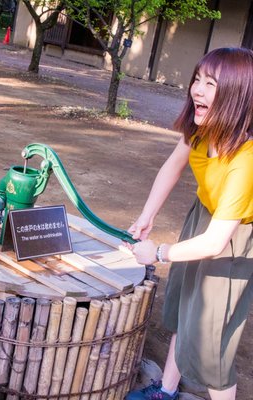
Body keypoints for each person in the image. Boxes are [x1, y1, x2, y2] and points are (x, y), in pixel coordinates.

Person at [125, 47, 253, 400]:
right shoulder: (201, 129)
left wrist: (160, 252)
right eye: (197, 79)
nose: (197, 89)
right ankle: (166, 391)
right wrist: (147, 216)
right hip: (203, 216)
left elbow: (215, 243)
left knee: (212, 343)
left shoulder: (246, 160)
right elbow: (172, 166)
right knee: (184, 305)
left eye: (210, 83)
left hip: (233, 238)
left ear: (237, 94)